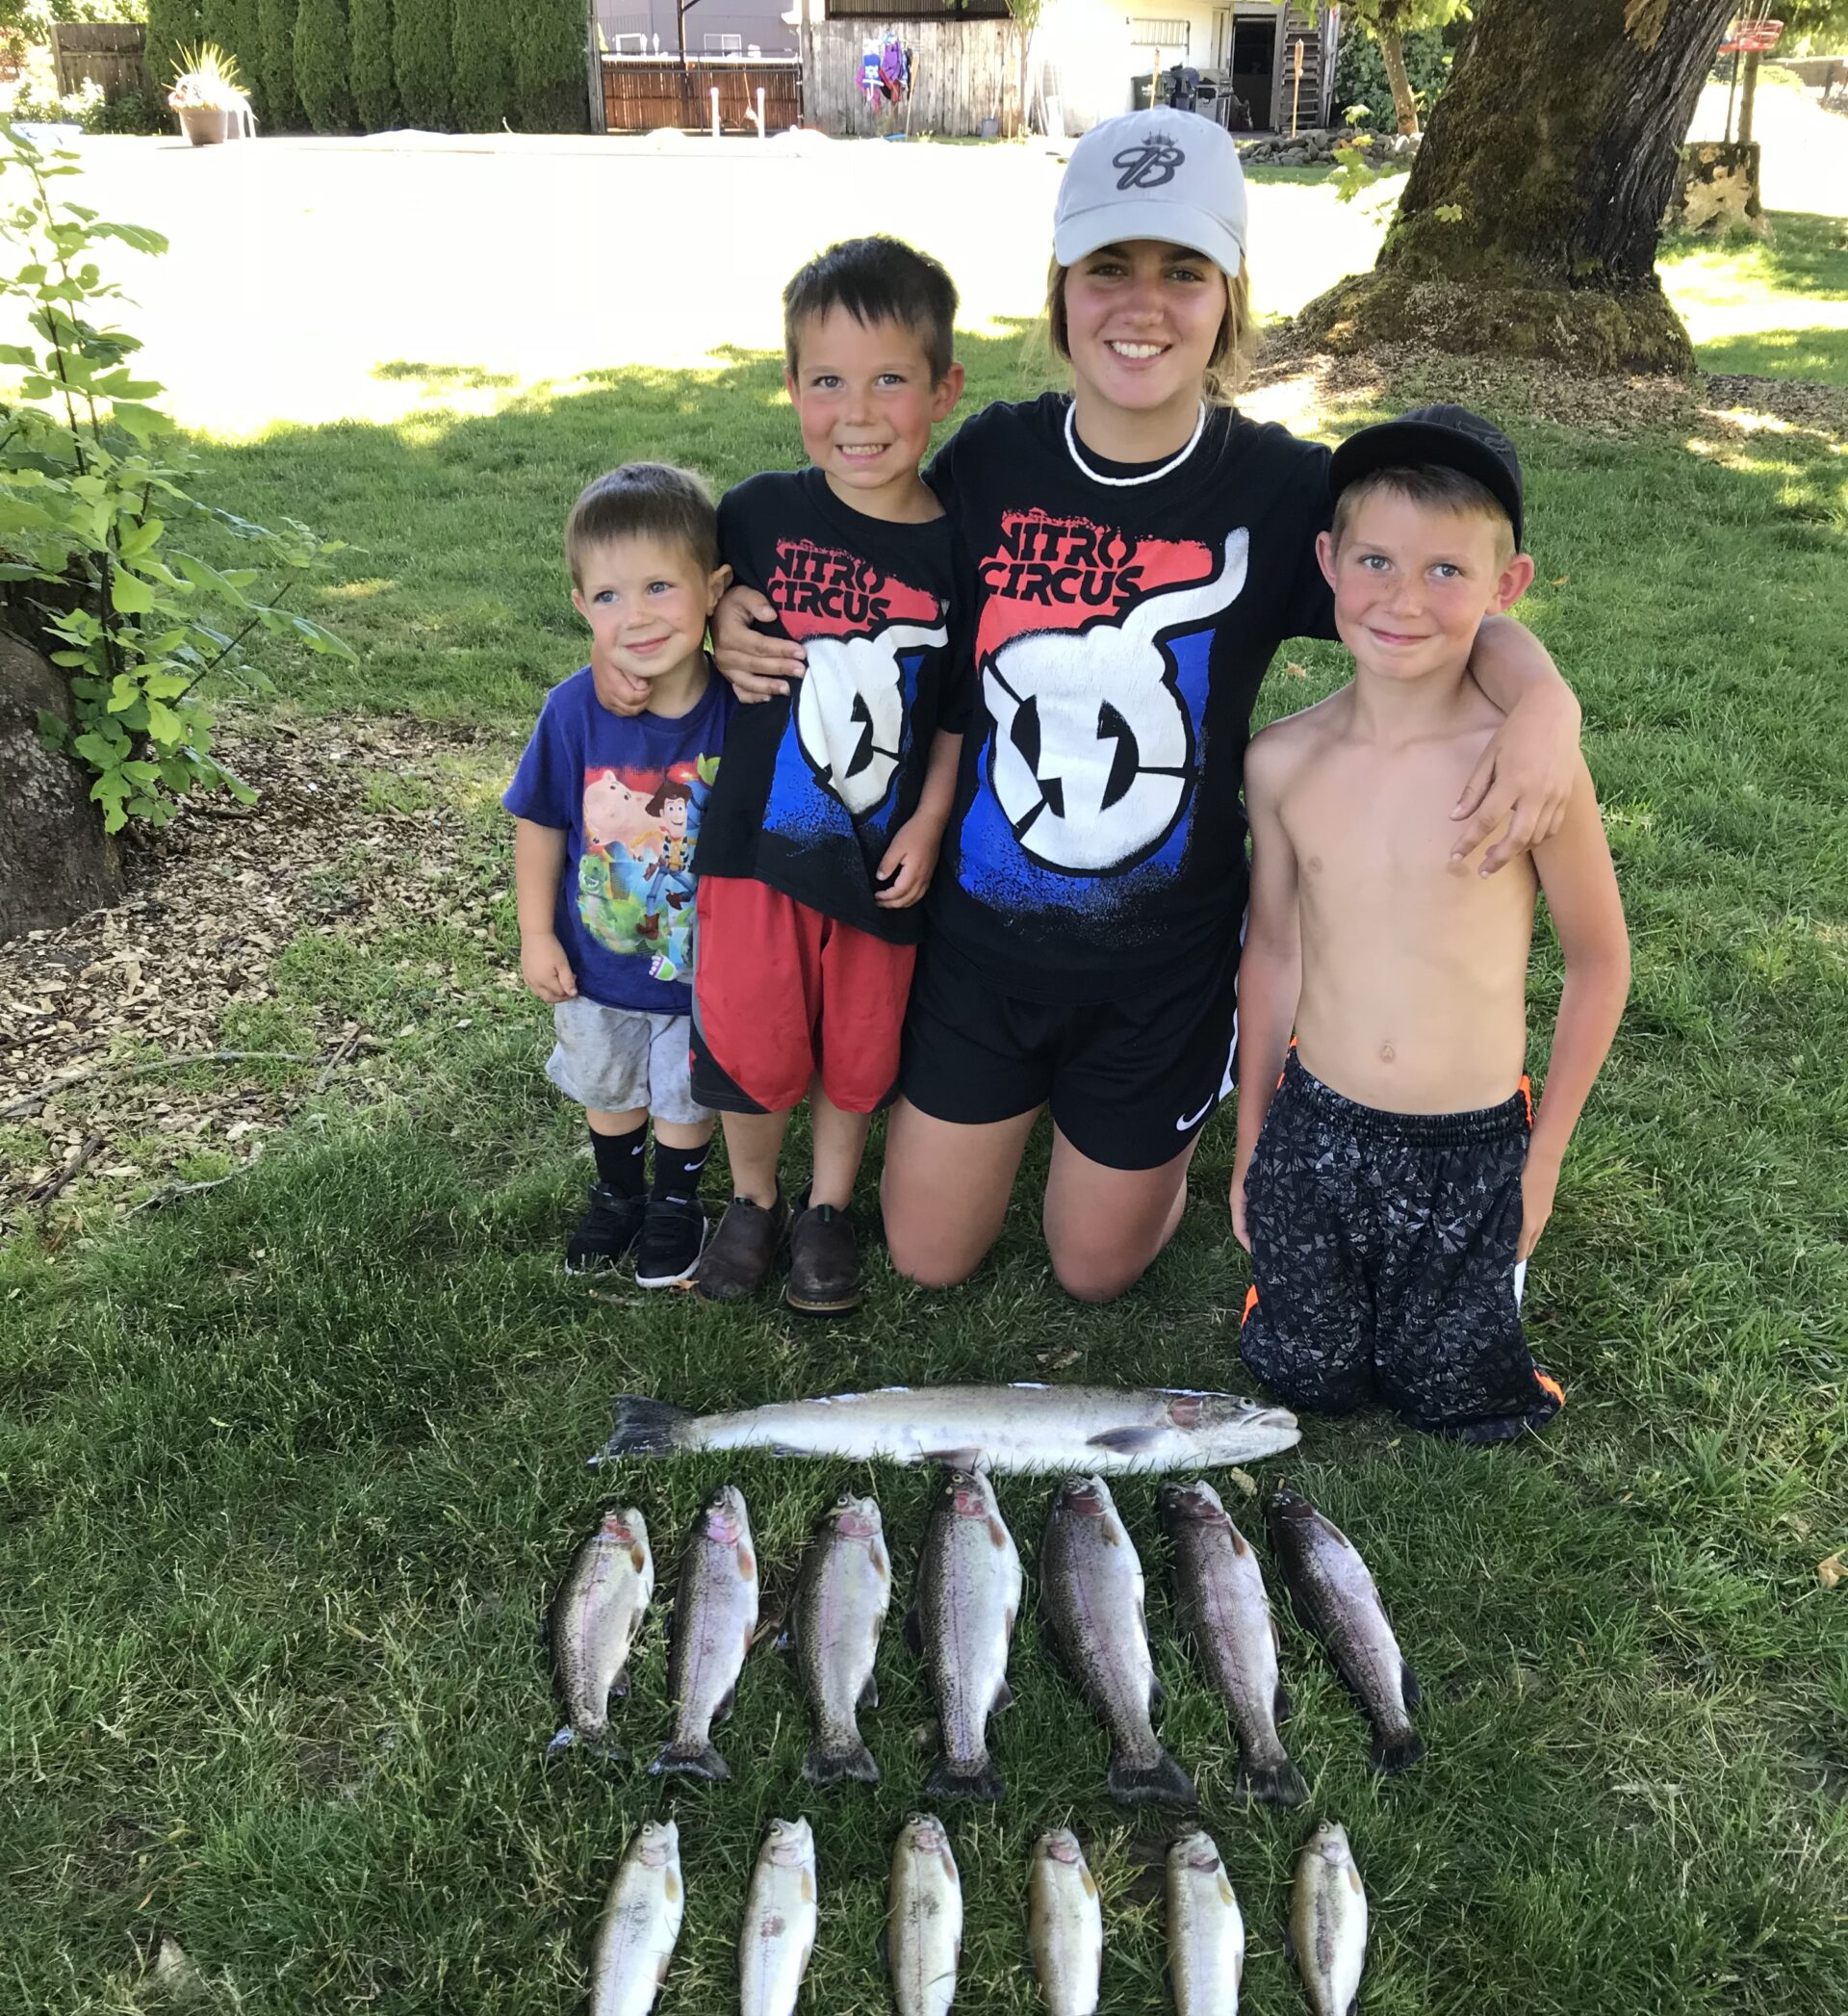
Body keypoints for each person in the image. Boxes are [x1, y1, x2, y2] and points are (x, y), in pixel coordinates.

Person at [716, 109, 1589, 1305]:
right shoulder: (990, 460)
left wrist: (1545, 706)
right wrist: (732, 611)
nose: (1143, 305)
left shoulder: (1285, 491)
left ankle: (1147, 1123)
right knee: (925, 1256)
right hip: (981, 945)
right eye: (1108, 269)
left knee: (1094, 1271)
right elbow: (855, 557)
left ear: (1228, 296)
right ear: (1062, 290)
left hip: (1161, 965)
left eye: (1183, 272)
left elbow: (1428, 603)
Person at [1232, 406, 1630, 1442]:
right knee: (1301, 1378)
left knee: (1458, 1402)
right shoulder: (1283, 763)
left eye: (1447, 571)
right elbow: (1272, 951)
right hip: (1318, 1127)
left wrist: (1539, 1164)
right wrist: (1253, 1144)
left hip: (1472, 1145)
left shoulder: (1529, 767)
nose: (1404, 600)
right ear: (1327, 561)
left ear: (1509, 587)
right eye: (1376, 560)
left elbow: (1599, 962)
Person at [686, 236, 967, 1315]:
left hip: (877, 858)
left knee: (858, 1049)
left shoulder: (958, 550)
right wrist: (715, 617)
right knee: (753, 1042)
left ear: (943, 387)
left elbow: (954, 711)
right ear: (792, 386)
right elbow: (668, 610)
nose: (858, 411)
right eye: (827, 381)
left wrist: (931, 820)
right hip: (756, 847)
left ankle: (828, 1209)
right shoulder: (754, 514)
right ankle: (753, 1198)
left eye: (890, 378)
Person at [506, 463, 731, 1284]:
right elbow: (541, 823)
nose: (634, 617)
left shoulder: (741, 708)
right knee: (611, 1085)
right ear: (579, 607)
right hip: (597, 966)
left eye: (660, 587)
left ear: (714, 590)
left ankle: (676, 1203)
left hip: (708, 970)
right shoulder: (571, 711)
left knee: (686, 1095)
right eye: (607, 597)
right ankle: (617, 1194)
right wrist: (536, 935)